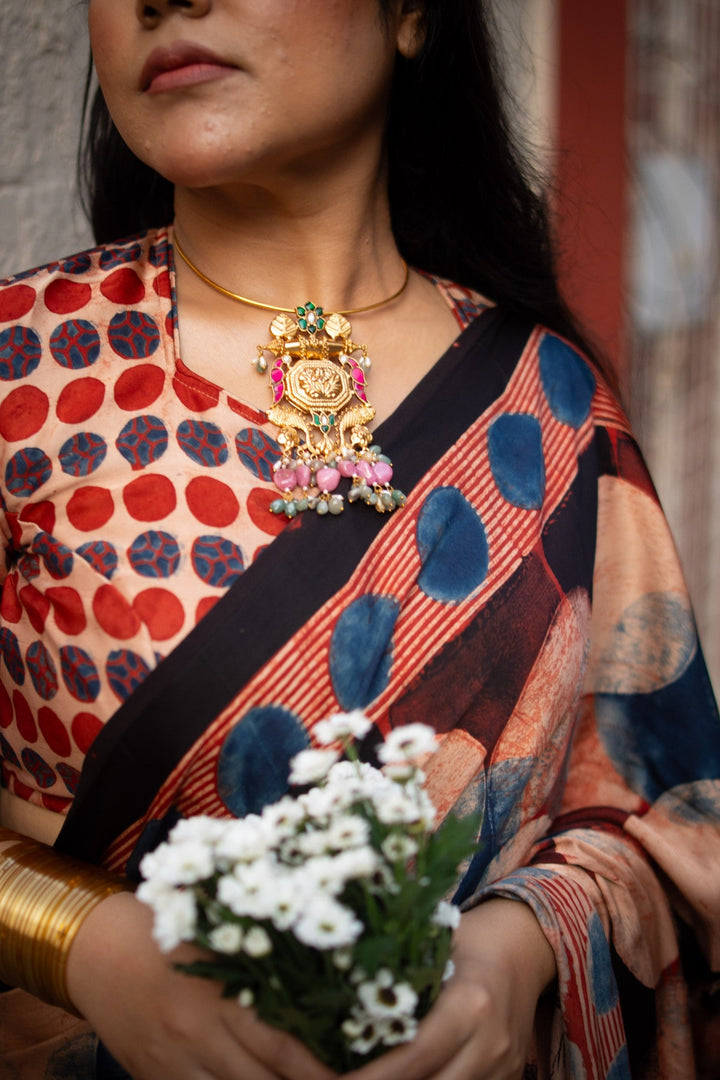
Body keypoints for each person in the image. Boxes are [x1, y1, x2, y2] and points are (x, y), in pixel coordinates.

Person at [0, 1, 718, 1078]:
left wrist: (517, 952)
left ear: (413, 14)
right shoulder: (25, 375)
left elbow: (668, 828)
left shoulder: (553, 409)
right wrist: (80, 942)